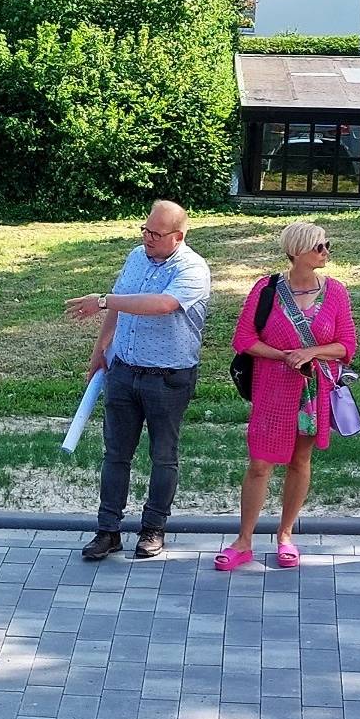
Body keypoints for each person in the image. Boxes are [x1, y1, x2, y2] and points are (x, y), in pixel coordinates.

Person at [67, 200, 211, 562]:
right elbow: (119, 305)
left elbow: (161, 304)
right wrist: (100, 350)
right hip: (123, 372)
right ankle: (107, 531)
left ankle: (153, 530)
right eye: (145, 229)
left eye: (156, 233)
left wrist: (101, 300)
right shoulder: (136, 257)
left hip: (167, 378)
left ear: (177, 236)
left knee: (163, 456)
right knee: (115, 454)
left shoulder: (192, 268)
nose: (147, 238)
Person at [222, 223, 355, 572]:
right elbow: (244, 339)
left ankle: (285, 535)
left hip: (313, 392)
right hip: (272, 389)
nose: (326, 251)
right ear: (297, 251)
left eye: (327, 245)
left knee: (300, 461)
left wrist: (311, 352)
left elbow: (346, 346)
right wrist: (284, 356)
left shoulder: (337, 292)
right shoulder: (266, 289)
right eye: (319, 246)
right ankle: (244, 540)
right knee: (260, 464)